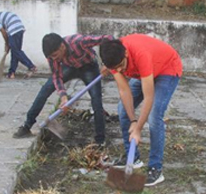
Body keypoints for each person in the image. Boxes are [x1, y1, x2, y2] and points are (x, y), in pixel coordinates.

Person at [99, 34, 182, 186]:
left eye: (121, 66)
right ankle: (133, 158)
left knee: (154, 116)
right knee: (122, 109)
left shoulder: (140, 54)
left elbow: (149, 97)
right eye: (114, 68)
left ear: (125, 53)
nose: (119, 70)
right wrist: (132, 120)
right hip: (146, 72)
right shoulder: (113, 58)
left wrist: (138, 129)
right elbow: (124, 92)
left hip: (167, 69)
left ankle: (155, 168)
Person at [13, 33, 114, 146]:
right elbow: (56, 76)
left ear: (62, 46)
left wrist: (107, 63)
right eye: (51, 57)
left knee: (96, 99)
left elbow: (108, 38)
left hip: (89, 67)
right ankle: (27, 126)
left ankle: (100, 140)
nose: (54, 59)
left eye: (55, 55)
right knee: (45, 90)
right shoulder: (52, 56)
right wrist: (63, 97)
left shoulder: (79, 41)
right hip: (69, 67)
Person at [0, 11, 37, 79]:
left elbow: (3, 32)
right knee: (15, 52)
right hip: (19, 28)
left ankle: (31, 67)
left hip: (13, 29)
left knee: (16, 51)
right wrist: (8, 44)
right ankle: (11, 73)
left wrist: (7, 44)